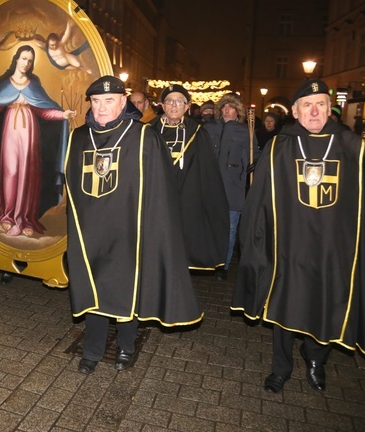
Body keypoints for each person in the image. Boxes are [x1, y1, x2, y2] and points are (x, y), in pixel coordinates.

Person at [231, 79, 365, 394]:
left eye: (320, 104)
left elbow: (364, 205)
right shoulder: (280, 146)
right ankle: (281, 367)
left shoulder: (349, 146)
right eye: (307, 105)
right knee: (282, 306)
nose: (314, 111)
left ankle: (317, 359)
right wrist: (254, 241)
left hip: (332, 249)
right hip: (288, 247)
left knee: (325, 306)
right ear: (295, 111)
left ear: (330, 109)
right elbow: (260, 198)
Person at [65, 76, 203, 375]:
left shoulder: (142, 136)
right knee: (94, 289)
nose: (101, 108)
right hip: (90, 230)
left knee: (126, 290)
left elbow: (160, 191)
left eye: (109, 101)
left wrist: (155, 233)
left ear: (123, 102)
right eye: (96, 101)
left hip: (130, 230)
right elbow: (71, 188)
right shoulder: (77, 138)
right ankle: (92, 349)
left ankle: (126, 347)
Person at [0, 45, 76, 237]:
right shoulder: (4, 83)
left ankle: (25, 218)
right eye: (24, 58)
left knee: (27, 172)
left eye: (30, 60)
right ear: (16, 58)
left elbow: (44, 110)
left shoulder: (33, 85)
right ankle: (8, 215)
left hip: (29, 132)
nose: (26, 63)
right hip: (10, 131)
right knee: (10, 171)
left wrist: (62, 115)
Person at [149, 84, 229, 270]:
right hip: (154, 200)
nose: (174, 105)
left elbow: (208, 172)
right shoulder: (148, 130)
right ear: (163, 105)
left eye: (179, 101)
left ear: (187, 106)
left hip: (185, 199)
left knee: (181, 251)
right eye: (169, 101)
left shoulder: (198, 133)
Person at [204, 93, 258, 280]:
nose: (227, 109)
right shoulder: (209, 128)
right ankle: (209, 261)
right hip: (211, 186)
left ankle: (224, 266)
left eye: (231, 106)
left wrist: (256, 163)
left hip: (233, 187)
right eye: (224, 106)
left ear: (238, 111)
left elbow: (254, 155)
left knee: (230, 229)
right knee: (209, 227)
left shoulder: (246, 131)